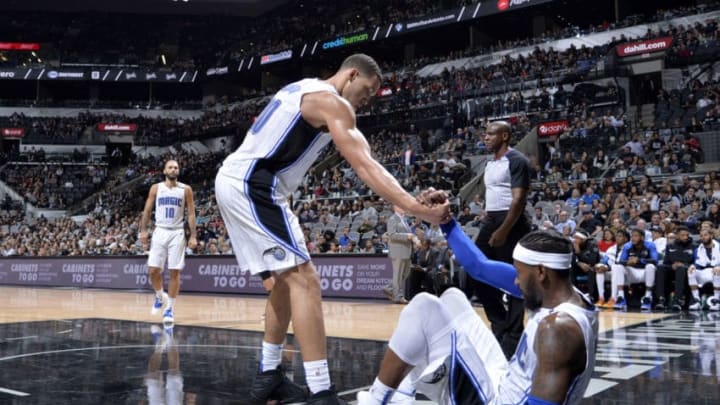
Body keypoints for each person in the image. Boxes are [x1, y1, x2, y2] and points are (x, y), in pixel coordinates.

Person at [213, 54, 450, 404]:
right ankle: (321, 391)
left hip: (254, 183)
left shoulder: (302, 88)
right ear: (352, 74)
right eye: (367, 92)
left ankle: (269, 373)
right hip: (254, 184)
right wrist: (416, 209)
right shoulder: (332, 103)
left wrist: (407, 201)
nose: (366, 102)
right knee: (305, 280)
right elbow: (364, 164)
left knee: (286, 280)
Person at [357, 215, 597, 405]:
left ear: (541, 273)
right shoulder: (565, 293)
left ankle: (376, 399)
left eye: (520, 273)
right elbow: (478, 266)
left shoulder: (558, 329)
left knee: (423, 307)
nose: (515, 282)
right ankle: (401, 396)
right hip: (505, 383)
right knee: (453, 299)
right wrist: (446, 221)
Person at [472, 120, 531, 358]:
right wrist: (488, 213)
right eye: (484, 134)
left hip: (513, 221)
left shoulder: (517, 160)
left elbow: (518, 200)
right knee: (476, 268)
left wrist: (504, 229)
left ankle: (514, 332)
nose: (485, 138)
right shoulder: (491, 163)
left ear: (504, 136)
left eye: (490, 134)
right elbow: (497, 193)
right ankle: (499, 321)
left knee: (515, 278)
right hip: (493, 219)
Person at [140, 160, 197, 324]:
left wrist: (193, 235)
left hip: (177, 233)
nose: (174, 169)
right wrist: (143, 230)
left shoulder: (186, 189)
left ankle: (169, 309)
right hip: (159, 231)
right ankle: (159, 296)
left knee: (174, 272)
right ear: (164, 170)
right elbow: (147, 210)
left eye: (176, 167)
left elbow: (191, 214)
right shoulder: (156, 188)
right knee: (153, 271)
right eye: (171, 167)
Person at [611, 228, 659, 311]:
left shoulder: (650, 245)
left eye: (636, 236)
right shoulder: (627, 246)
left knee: (650, 266)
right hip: (633, 273)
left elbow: (655, 260)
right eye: (632, 236)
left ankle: (647, 298)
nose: (633, 238)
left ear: (642, 237)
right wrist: (628, 262)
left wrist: (639, 260)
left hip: (645, 273)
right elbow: (620, 261)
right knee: (618, 267)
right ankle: (621, 297)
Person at [384, 206, 417, 304]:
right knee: (397, 275)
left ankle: (388, 288)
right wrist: (407, 236)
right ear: (395, 208)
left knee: (405, 273)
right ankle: (398, 296)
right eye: (400, 205)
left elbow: (407, 233)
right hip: (397, 251)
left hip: (406, 251)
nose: (404, 207)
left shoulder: (404, 219)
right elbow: (392, 235)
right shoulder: (393, 219)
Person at [687, 228, 720, 311]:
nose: (703, 237)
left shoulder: (718, 247)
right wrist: (693, 266)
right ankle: (696, 300)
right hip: (704, 272)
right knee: (691, 271)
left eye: (705, 235)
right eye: (701, 236)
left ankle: (716, 301)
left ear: (711, 235)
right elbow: (698, 264)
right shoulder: (697, 250)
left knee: (717, 271)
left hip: (716, 272)